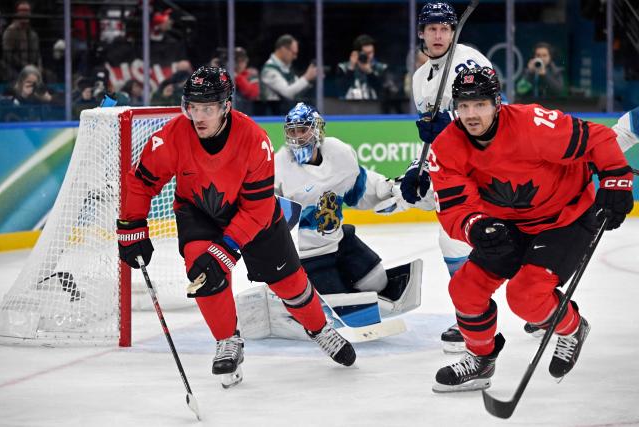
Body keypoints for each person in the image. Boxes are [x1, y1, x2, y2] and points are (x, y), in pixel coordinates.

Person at [116, 66, 356, 388]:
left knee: (290, 284)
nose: (198, 117)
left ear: (226, 106)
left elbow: (256, 209)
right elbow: (141, 182)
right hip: (198, 212)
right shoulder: (172, 136)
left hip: (254, 217)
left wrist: (226, 251)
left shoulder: (254, 140)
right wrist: (132, 226)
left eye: (208, 108)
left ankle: (319, 328)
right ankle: (227, 341)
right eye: (193, 107)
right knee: (202, 270)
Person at [427, 66, 634, 392]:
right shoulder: (446, 147)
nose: (471, 114)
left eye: (480, 104)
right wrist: (476, 227)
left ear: (497, 103)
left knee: (526, 296)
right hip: (510, 223)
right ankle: (480, 361)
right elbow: (455, 206)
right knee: (465, 289)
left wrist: (616, 178)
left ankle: (571, 328)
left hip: (565, 217)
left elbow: (598, 138)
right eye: (463, 106)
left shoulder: (532, 125)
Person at [399, 1, 492, 353]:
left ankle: (540, 300)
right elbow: (433, 141)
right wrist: (417, 168)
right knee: (452, 239)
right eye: (432, 28)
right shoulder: (421, 79)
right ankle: (470, 313)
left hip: (492, 165)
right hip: (460, 171)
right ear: (421, 33)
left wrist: (451, 127)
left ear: (453, 31)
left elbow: (494, 121)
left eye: (445, 28)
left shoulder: (470, 62)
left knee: (509, 236)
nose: (439, 35)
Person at [274, 102, 421, 312]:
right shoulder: (279, 167)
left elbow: (358, 189)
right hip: (310, 256)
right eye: (292, 130)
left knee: (377, 281)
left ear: (316, 129)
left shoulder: (338, 152)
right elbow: (268, 213)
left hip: (341, 240)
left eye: (303, 129)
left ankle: (350, 288)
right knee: (338, 303)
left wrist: (386, 188)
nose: (297, 136)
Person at [259, 34, 317, 115]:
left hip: (285, 115)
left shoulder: (287, 68)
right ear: (283, 49)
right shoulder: (269, 70)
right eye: (293, 53)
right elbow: (288, 93)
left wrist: (310, 79)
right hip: (272, 118)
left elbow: (297, 90)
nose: (295, 57)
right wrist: (307, 77)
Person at [336, 34, 388, 101]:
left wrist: (369, 72)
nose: (369, 56)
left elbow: (383, 92)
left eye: (371, 52)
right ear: (357, 53)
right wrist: (351, 68)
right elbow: (340, 90)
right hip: (348, 107)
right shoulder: (343, 67)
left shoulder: (381, 68)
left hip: (374, 107)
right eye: (366, 53)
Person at [1, 1, 41, 81]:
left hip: (30, 68)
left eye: (26, 11)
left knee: (48, 75)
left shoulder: (33, 34)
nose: (24, 13)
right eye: (22, 11)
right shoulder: (10, 31)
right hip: (14, 68)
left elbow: (37, 55)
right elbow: (8, 55)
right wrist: (25, 66)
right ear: (17, 13)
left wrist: (39, 68)